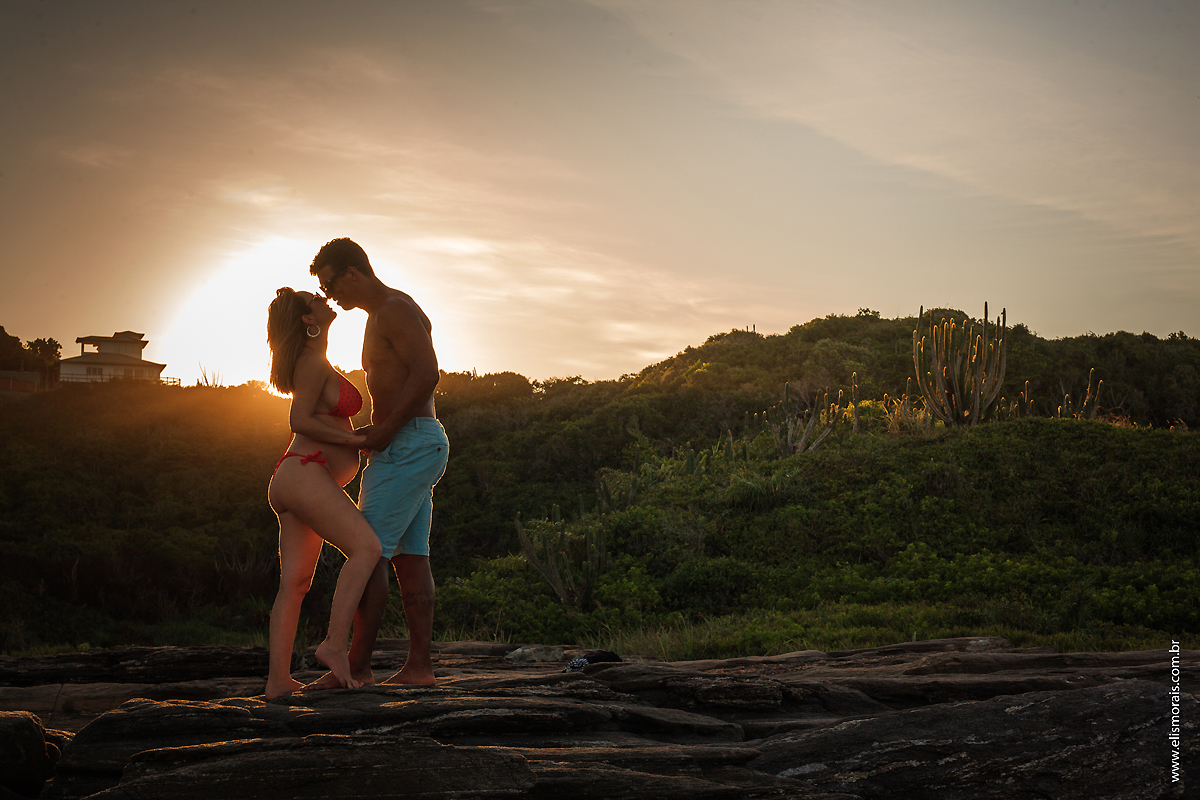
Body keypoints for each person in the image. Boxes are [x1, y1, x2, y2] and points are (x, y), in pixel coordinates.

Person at [307, 238, 448, 688]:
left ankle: (360, 666)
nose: (331, 295)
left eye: (331, 284)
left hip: (406, 444)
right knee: (410, 557)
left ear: (353, 272)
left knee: (367, 553)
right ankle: (419, 668)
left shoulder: (393, 310)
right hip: (412, 444)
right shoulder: (387, 311)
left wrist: (384, 432)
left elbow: (427, 372)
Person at [263, 288, 383, 699]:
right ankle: (334, 644)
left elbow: (312, 416)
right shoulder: (312, 362)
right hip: (306, 469)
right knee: (367, 548)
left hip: (294, 475)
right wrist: (355, 440)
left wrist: (352, 440)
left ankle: (278, 682)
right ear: (307, 320)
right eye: (314, 298)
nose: (324, 298)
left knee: (295, 584)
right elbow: (299, 419)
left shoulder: (312, 361)